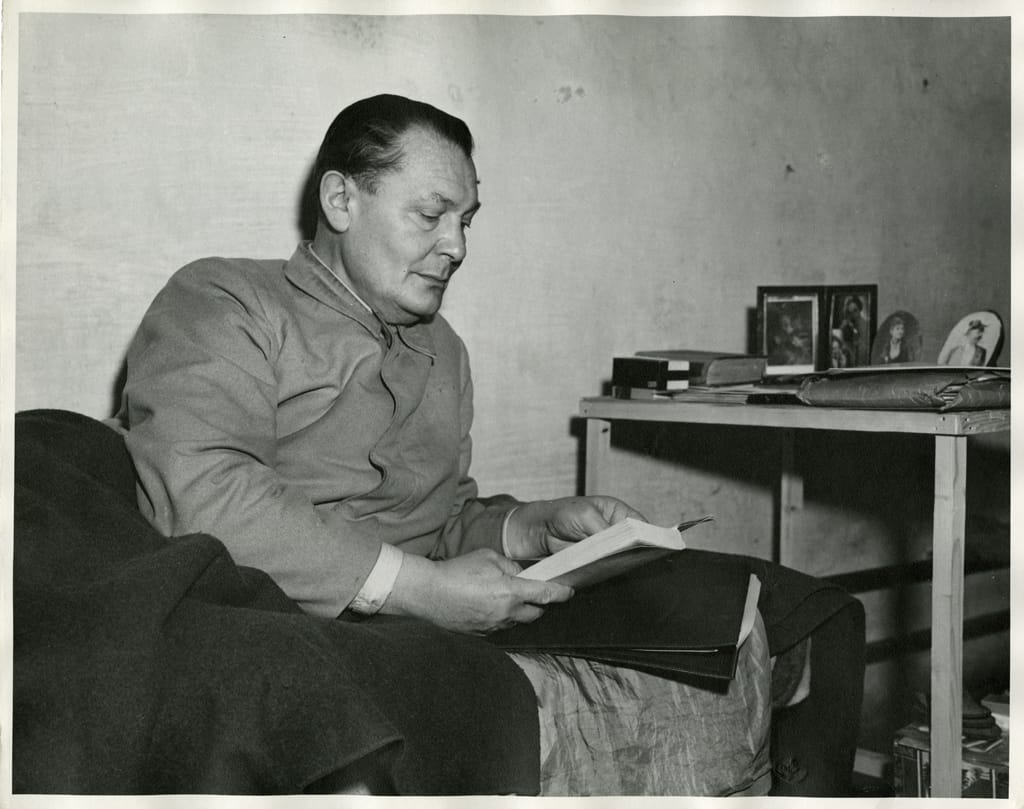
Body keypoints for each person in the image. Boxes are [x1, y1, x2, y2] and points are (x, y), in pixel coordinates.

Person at [118, 94, 643, 634]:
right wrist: (423, 592)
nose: (457, 246)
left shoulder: (445, 350)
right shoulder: (226, 300)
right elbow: (204, 500)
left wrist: (533, 529)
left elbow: (435, 525)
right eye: (431, 214)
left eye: (465, 222)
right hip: (249, 621)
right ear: (341, 200)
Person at [838, 295, 870, 366]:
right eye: (850, 312)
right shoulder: (845, 328)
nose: (853, 315)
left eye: (855, 310)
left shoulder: (867, 325)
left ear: (860, 309)